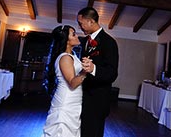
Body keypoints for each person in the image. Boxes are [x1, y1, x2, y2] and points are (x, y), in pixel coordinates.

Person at [77, 7, 119, 137]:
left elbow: (112, 73)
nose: (80, 26)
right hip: (80, 98)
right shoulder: (84, 41)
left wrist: (93, 69)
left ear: (91, 21)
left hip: (97, 100)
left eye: (81, 23)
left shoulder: (109, 42)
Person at [41, 25, 87, 137]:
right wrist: (85, 71)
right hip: (67, 100)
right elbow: (72, 83)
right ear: (66, 40)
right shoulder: (65, 58)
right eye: (74, 34)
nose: (77, 36)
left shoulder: (73, 55)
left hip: (74, 100)